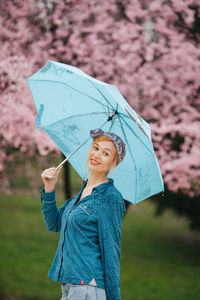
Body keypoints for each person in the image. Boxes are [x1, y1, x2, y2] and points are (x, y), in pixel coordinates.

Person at [40, 128, 126, 300]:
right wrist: (49, 190)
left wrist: (114, 297)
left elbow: (111, 251)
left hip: (88, 287)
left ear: (113, 164)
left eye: (106, 153)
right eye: (95, 148)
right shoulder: (81, 193)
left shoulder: (110, 198)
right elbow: (54, 224)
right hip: (71, 285)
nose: (97, 155)